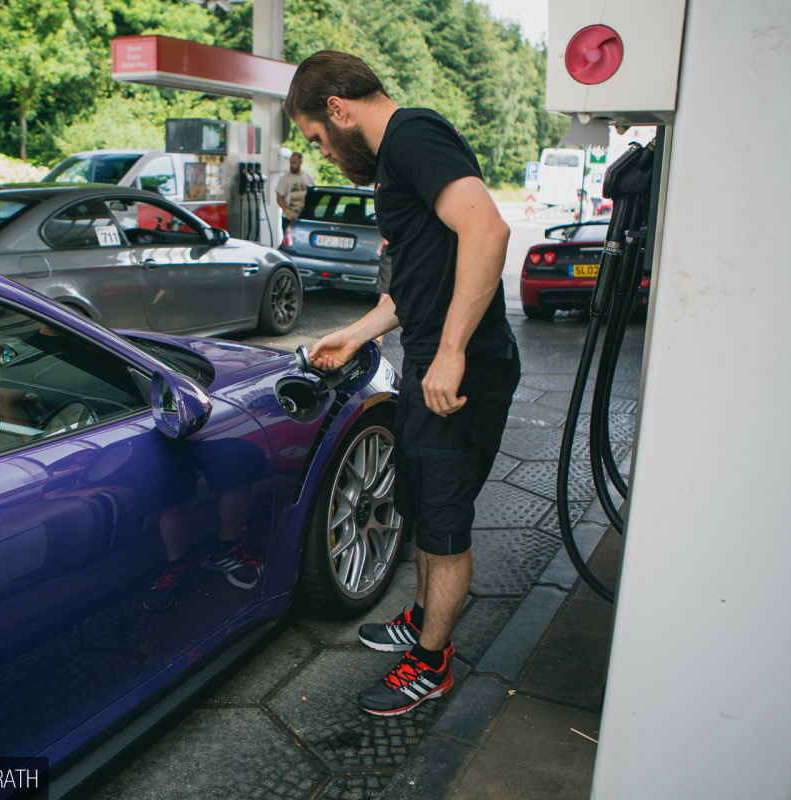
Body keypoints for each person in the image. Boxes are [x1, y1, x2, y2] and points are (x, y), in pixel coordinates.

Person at [284, 51, 520, 717]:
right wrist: (358, 332)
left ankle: (432, 664)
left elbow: (487, 227)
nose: (323, 155)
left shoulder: (414, 135)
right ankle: (420, 622)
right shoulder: (395, 162)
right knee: (421, 502)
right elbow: (417, 282)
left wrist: (451, 352)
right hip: (427, 363)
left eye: (317, 140)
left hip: (459, 373)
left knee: (444, 523)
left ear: (337, 109)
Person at [274, 151, 314, 227]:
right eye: (290, 163)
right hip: (289, 218)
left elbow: (314, 195)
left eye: (294, 163)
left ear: (300, 162)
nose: (291, 165)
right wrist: (287, 212)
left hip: (304, 218)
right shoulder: (285, 179)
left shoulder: (308, 177)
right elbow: (279, 198)